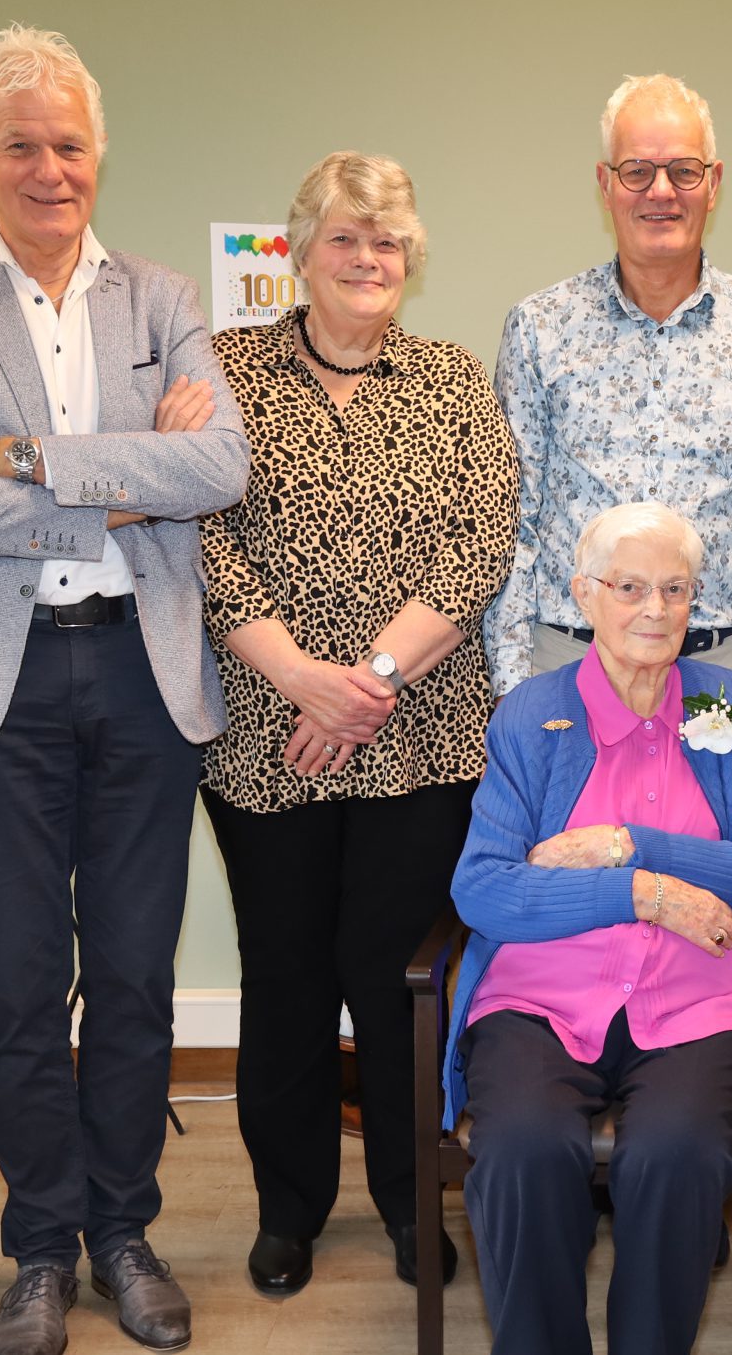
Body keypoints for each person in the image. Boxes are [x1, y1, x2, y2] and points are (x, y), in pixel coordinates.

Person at [0, 25, 249, 1355]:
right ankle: (41, 1246)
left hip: (146, 673)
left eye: (69, 144)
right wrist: (123, 480)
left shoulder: (162, 297)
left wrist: (20, 457)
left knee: (135, 975)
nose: (48, 169)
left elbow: (220, 471)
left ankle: (125, 1229)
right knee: (20, 986)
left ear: (99, 151)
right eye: (21, 144)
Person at [195, 151, 517, 1297]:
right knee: (283, 976)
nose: (367, 258)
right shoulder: (223, 370)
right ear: (300, 251)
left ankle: (409, 1199)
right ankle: (289, 1208)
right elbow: (200, 534)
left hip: (422, 738)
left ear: (409, 257)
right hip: (262, 739)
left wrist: (365, 682)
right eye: (344, 236)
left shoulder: (452, 378)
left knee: (397, 983)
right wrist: (302, 679)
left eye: (387, 240)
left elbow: (481, 541)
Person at [444, 503, 732, 1355]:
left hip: (702, 1001)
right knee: (523, 1149)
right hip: (544, 997)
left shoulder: (726, 706)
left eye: (675, 590)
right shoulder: (532, 716)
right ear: (585, 595)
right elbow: (483, 889)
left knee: (675, 1152)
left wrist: (632, 847)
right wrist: (640, 894)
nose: (654, 608)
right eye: (630, 587)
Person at [485, 72, 732, 836]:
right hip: (566, 670)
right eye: (638, 171)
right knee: (567, 886)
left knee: (717, 889)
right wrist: (513, 693)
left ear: (715, 183)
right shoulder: (540, 329)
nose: (661, 192)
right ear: (606, 184)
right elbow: (514, 520)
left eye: (683, 170)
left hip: (718, 676)